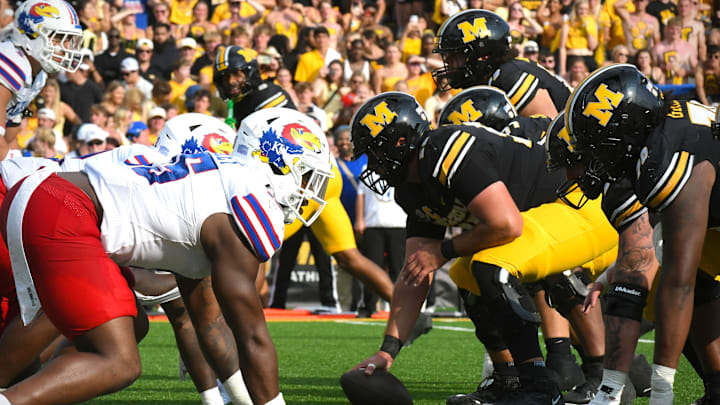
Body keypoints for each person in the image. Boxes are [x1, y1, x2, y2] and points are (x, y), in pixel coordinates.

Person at [0, 111, 334, 405]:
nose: (311, 191)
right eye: (308, 176)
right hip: (64, 210)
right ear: (280, 162)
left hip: (48, 197)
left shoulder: (215, 183)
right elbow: (251, 335)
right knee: (118, 361)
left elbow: (209, 320)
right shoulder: (251, 200)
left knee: (129, 324)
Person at [349, 92, 617, 404]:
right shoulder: (411, 187)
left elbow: (506, 225)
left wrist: (444, 250)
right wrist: (388, 350)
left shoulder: (444, 151)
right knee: (467, 273)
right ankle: (508, 379)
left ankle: (537, 384)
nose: (371, 165)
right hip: (545, 217)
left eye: (374, 153)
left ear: (398, 143)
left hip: (581, 207)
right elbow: (415, 271)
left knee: (490, 266)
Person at [561, 63, 720, 404]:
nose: (595, 158)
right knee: (702, 280)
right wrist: (610, 272)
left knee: (680, 284)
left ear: (628, 126)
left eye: (599, 145)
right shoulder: (665, 131)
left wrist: (662, 391)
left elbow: (680, 280)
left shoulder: (666, 155)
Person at [433, 9, 571, 118]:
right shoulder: (497, 76)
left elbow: (548, 134)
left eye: (454, 54)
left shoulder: (509, 76)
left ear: (482, 56)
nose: (446, 61)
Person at [0, 0, 84, 160]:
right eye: (59, 37)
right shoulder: (10, 63)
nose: (66, 47)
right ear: (31, 35)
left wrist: (18, 157)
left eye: (69, 39)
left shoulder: (38, 76)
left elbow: (9, 137)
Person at [213, 45, 295, 125]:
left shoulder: (267, 94)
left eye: (236, 74)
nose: (231, 81)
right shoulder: (237, 103)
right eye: (225, 78)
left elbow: (275, 133)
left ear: (249, 73)